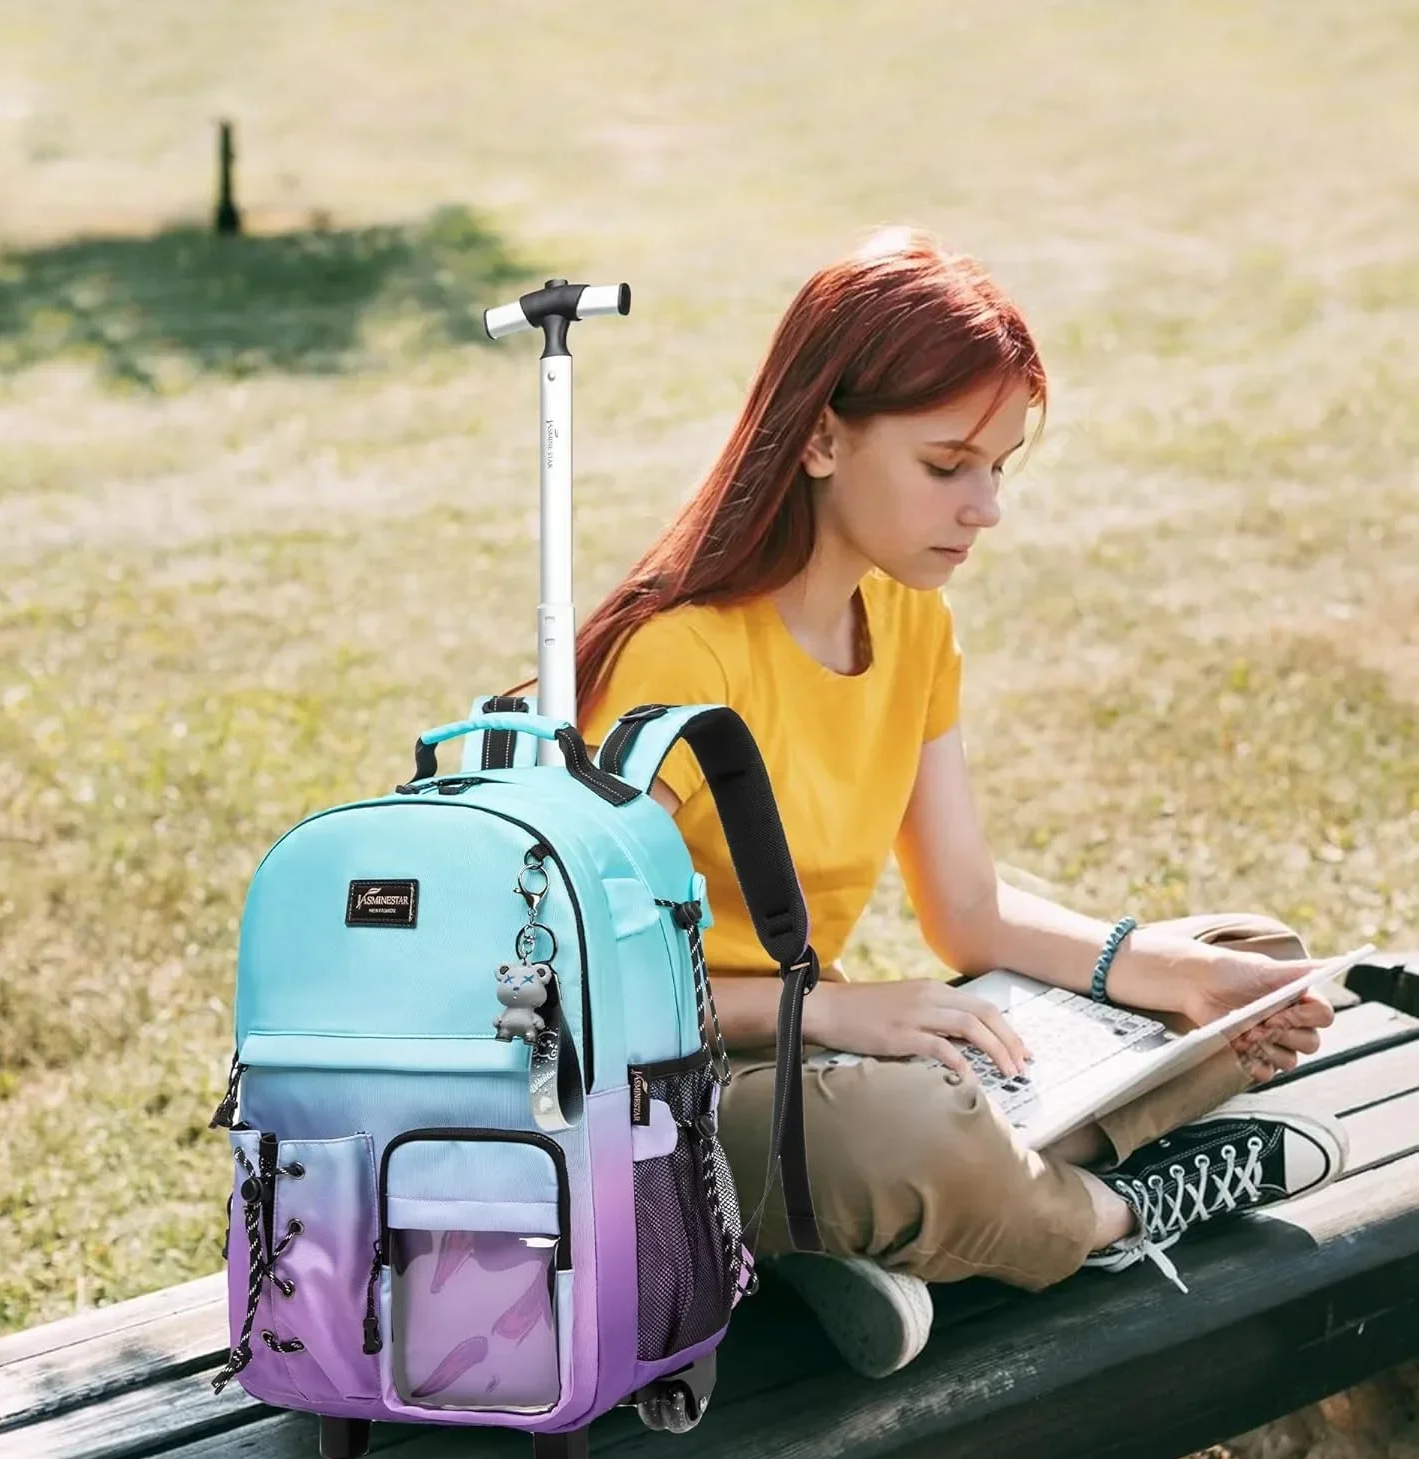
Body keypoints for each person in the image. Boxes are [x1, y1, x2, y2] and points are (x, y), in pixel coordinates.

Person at [574, 226, 1348, 1379]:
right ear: (824, 436)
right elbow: (581, 992)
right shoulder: (681, 657)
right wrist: (833, 1015)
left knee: (1251, 961)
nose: (985, 507)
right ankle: (1113, 1216)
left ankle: (887, 1230)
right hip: (674, 1100)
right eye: (947, 467)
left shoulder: (913, 624)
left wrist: (1176, 977)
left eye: (999, 466)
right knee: (899, 1130)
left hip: (831, 1075)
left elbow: (970, 911)